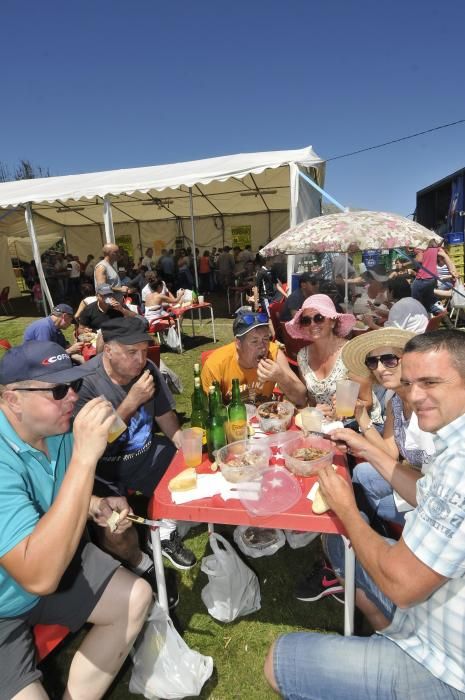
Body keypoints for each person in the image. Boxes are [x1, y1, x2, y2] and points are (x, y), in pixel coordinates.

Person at [265, 329, 465, 699]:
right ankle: (384, 636)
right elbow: (423, 492)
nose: (416, 394)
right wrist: (363, 444)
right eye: (411, 382)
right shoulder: (451, 441)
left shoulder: (459, 464)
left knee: (279, 660)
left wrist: (346, 509)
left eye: (431, 382)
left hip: (447, 665)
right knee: (341, 545)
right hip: (429, 612)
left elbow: (403, 587)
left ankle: (392, 661)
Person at [0, 341, 152, 698]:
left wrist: (94, 503)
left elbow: (60, 494)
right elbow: (38, 577)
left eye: (74, 385)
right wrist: (85, 459)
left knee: (136, 597)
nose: (71, 397)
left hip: (48, 563)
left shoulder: (58, 430)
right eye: (57, 390)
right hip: (9, 599)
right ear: (12, 400)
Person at [75, 317, 196, 573]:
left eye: (143, 351)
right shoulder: (85, 384)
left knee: (193, 469)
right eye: (132, 352)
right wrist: (130, 403)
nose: (140, 360)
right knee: (115, 528)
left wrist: (179, 441)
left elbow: (164, 414)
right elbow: (91, 448)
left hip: (144, 454)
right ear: (108, 349)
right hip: (102, 468)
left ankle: (164, 534)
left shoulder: (148, 370)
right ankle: (141, 565)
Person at [285, 294, 379, 421]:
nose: (312, 324)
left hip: (360, 425)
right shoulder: (302, 356)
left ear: (333, 322)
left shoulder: (350, 353)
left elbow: (367, 402)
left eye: (319, 318)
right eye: (306, 321)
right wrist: (314, 411)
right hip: (325, 426)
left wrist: (345, 413)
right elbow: (311, 400)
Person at [201, 309, 307, 405]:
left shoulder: (274, 354)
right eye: (254, 341)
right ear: (238, 343)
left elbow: (301, 398)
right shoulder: (215, 365)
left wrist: (281, 377)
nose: (262, 347)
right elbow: (212, 412)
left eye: (265, 339)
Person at [411, 244, 457, 313]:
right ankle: (439, 312)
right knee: (428, 303)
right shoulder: (434, 246)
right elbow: (444, 255)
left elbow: (419, 260)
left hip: (422, 278)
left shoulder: (418, 246)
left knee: (415, 303)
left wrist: (409, 262)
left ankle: (420, 317)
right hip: (433, 279)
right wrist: (453, 271)